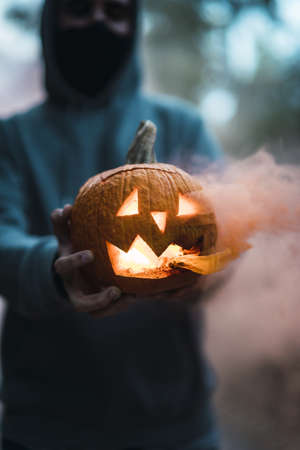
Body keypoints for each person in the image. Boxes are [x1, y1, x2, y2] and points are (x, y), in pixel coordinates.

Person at [0, 0, 223, 449]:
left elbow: (226, 230)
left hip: (174, 423)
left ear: (133, 26)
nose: (99, 22)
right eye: (80, 9)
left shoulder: (182, 126)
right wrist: (56, 269)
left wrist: (203, 275)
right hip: (43, 426)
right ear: (51, 22)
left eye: (116, 12)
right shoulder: (12, 137)